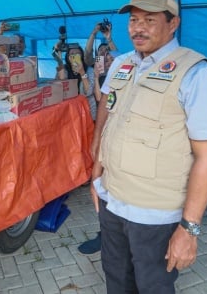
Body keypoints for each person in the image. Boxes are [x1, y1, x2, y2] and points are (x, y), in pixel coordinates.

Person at [90, 0, 207, 293]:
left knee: (152, 285)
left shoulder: (196, 73)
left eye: (149, 20)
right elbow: (106, 110)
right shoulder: (122, 63)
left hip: (154, 212)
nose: (138, 28)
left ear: (173, 23)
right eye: (133, 20)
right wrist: (96, 171)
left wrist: (189, 228)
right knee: (116, 278)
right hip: (112, 200)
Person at [78, 26, 118, 255]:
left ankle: (115, 235)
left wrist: (109, 39)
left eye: (109, 53)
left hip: (125, 139)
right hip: (104, 134)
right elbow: (98, 99)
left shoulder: (129, 70)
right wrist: (94, 76)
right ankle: (105, 234)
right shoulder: (101, 76)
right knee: (101, 185)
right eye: (102, 54)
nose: (107, 56)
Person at [53, 43, 96, 119]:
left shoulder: (89, 70)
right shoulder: (65, 69)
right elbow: (60, 84)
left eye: (77, 54)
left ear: (82, 55)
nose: (74, 56)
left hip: (87, 111)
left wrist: (82, 72)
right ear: (68, 56)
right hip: (70, 110)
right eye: (72, 54)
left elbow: (89, 91)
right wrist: (59, 58)